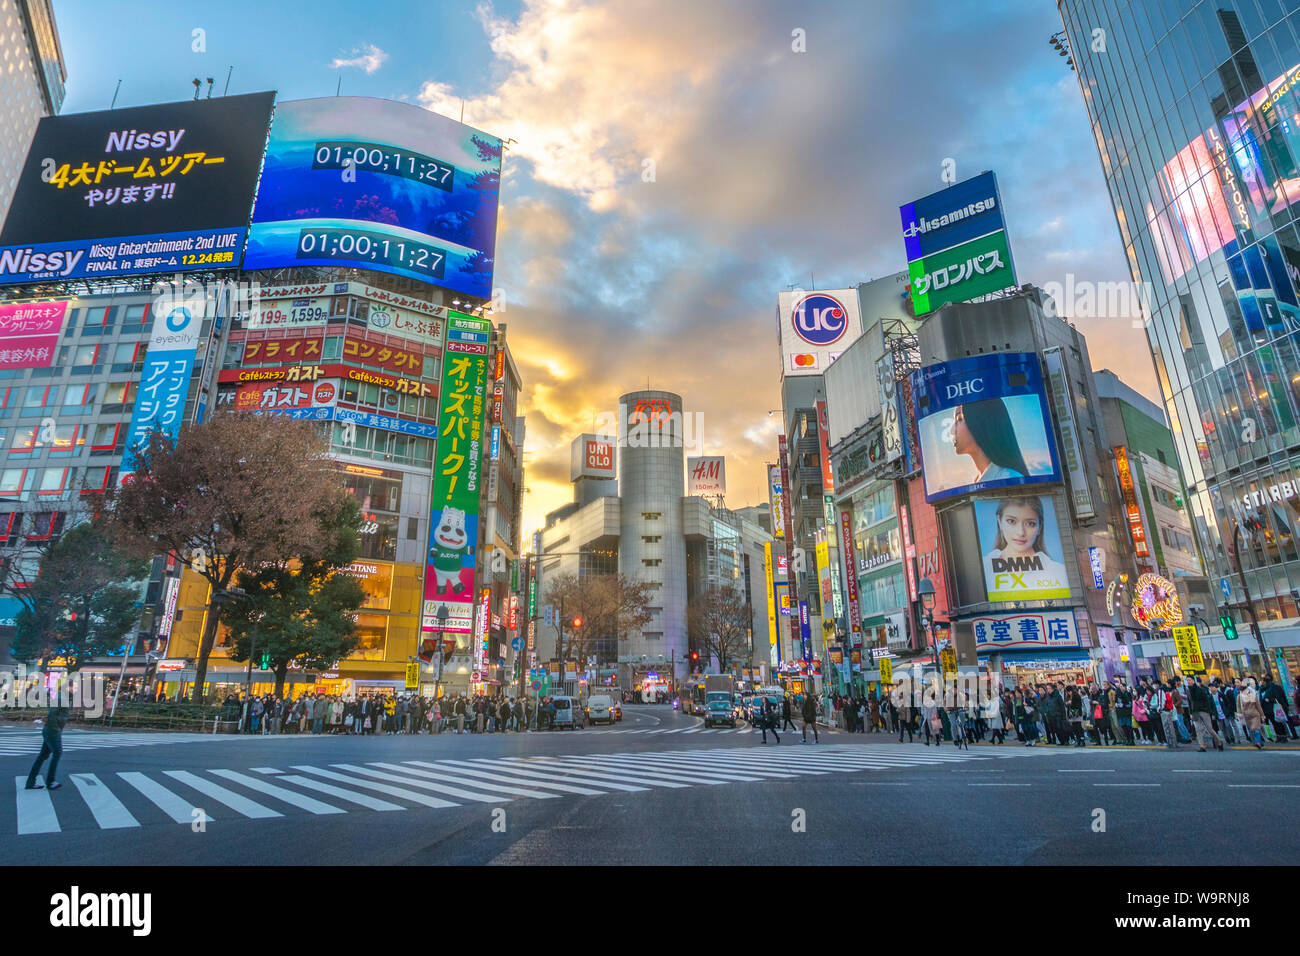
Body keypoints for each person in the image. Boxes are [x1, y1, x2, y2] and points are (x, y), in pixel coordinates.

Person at [981, 497, 1069, 600]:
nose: (1021, 532)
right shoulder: (983, 568)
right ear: (999, 522)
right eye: (1011, 521)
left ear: (1040, 527)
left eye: (1030, 523)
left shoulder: (1059, 572)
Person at [951, 398, 1031, 484]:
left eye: (959, 419)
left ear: (982, 422)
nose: (952, 431)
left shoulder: (1010, 478)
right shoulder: (978, 481)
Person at [25, 705, 69, 791]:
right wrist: (56, 730)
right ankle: (50, 781)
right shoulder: (62, 698)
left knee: (42, 756)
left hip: (50, 731)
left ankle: (30, 782)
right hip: (53, 732)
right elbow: (52, 715)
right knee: (57, 753)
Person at [1188, 676, 1225, 752]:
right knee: (1198, 729)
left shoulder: (1201, 690)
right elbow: (1190, 702)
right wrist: (1190, 713)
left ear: (1193, 681)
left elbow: (1207, 701)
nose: (1188, 682)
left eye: (1190, 680)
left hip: (1204, 711)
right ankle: (1202, 745)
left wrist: (1208, 711)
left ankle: (1219, 741)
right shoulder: (1188, 690)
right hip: (1195, 711)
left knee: (1209, 728)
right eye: (1187, 680)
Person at [1239, 679, 1266, 748]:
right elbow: (1258, 706)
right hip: (1252, 714)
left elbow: (1258, 706)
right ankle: (1258, 742)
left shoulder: (1243, 697)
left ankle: (1257, 742)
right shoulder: (1247, 696)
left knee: (1254, 729)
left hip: (1250, 715)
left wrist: (1262, 715)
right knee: (1255, 729)